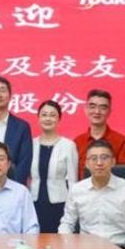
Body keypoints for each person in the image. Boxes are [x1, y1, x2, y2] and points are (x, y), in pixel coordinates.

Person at [58, 140, 125, 249]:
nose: (99, 163)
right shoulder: (77, 190)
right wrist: (65, 244)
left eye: (104, 158)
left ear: (113, 162)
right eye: (93, 158)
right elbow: (67, 223)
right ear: (86, 163)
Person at [30, 100, 78, 233]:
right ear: (38, 118)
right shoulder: (31, 144)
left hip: (59, 203)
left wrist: (71, 207)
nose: (48, 118)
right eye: (44, 115)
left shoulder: (68, 145)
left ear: (59, 119)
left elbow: (73, 180)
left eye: (52, 115)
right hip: (34, 202)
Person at [74, 89, 125, 178]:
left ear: (109, 111)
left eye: (103, 108)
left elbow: (124, 175)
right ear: (86, 109)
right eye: (92, 107)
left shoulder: (121, 141)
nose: (97, 112)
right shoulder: (77, 142)